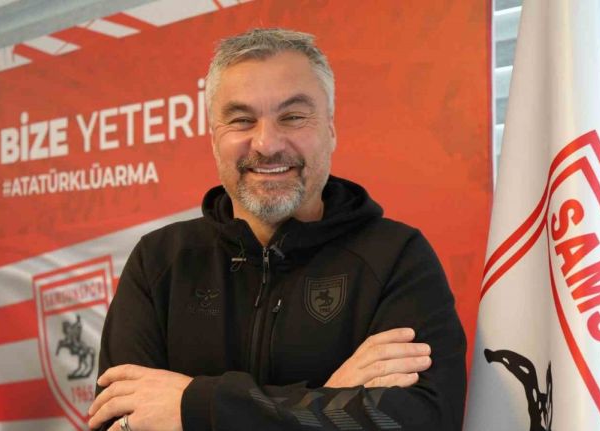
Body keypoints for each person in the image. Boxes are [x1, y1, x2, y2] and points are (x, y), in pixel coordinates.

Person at [88, 28, 466, 431]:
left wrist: (193, 406)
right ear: (214, 139)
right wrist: (332, 399)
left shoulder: (396, 258)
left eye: (293, 117)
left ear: (331, 129)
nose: (267, 144)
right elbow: (118, 422)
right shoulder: (159, 262)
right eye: (241, 120)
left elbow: (424, 421)